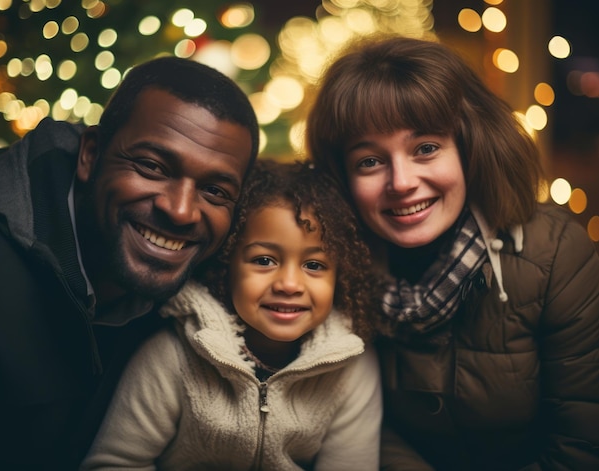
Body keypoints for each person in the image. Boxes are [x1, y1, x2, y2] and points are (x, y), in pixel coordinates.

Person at [306, 35, 599, 470]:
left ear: (471, 147)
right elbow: (360, 426)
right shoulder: (331, 267)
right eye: (370, 161)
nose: (401, 182)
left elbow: (582, 445)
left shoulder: (554, 254)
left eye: (425, 148)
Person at [0, 56, 259, 470]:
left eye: (214, 190)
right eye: (152, 166)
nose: (181, 211)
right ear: (91, 154)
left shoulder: (220, 293)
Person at [80, 159, 382, 470]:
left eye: (314, 265)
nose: (290, 284)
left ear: (339, 277)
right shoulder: (171, 357)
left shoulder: (352, 368)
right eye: (264, 260)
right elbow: (114, 463)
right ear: (227, 267)